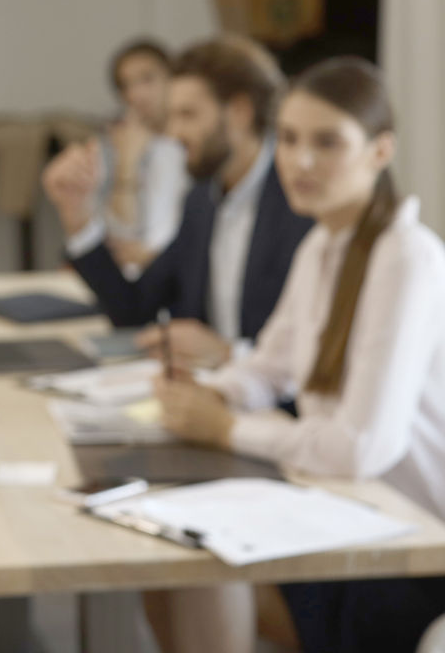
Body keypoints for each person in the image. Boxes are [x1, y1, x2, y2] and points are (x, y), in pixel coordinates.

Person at [156, 56, 445, 653]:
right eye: (288, 139)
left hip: (414, 550)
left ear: (380, 151)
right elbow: (270, 366)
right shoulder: (321, 245)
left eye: (326, 142)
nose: (299, 161)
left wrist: (226, 428)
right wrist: (211, 393)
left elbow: (360, 448)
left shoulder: (407, 258)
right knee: (166, 551)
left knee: (199, 568)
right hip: (350, 512)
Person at [42, 34, 312, 368]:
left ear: (239, 112)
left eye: (188, 115)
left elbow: (323, 353)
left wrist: (230, 355)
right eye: (172, 116)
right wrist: (77, 214)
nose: (173, 133)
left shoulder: (302, 204)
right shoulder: (203, 201)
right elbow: (135, 310)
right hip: (205, 392)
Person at [100, 39, 188, 271]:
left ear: (173, 78)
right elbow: (120, 235)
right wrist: (126, 161)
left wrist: (154, 256)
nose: (136, 94)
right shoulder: (118, 145)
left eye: (147, 79)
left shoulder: (194, 143)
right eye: (126, 86)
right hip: (138, 274)